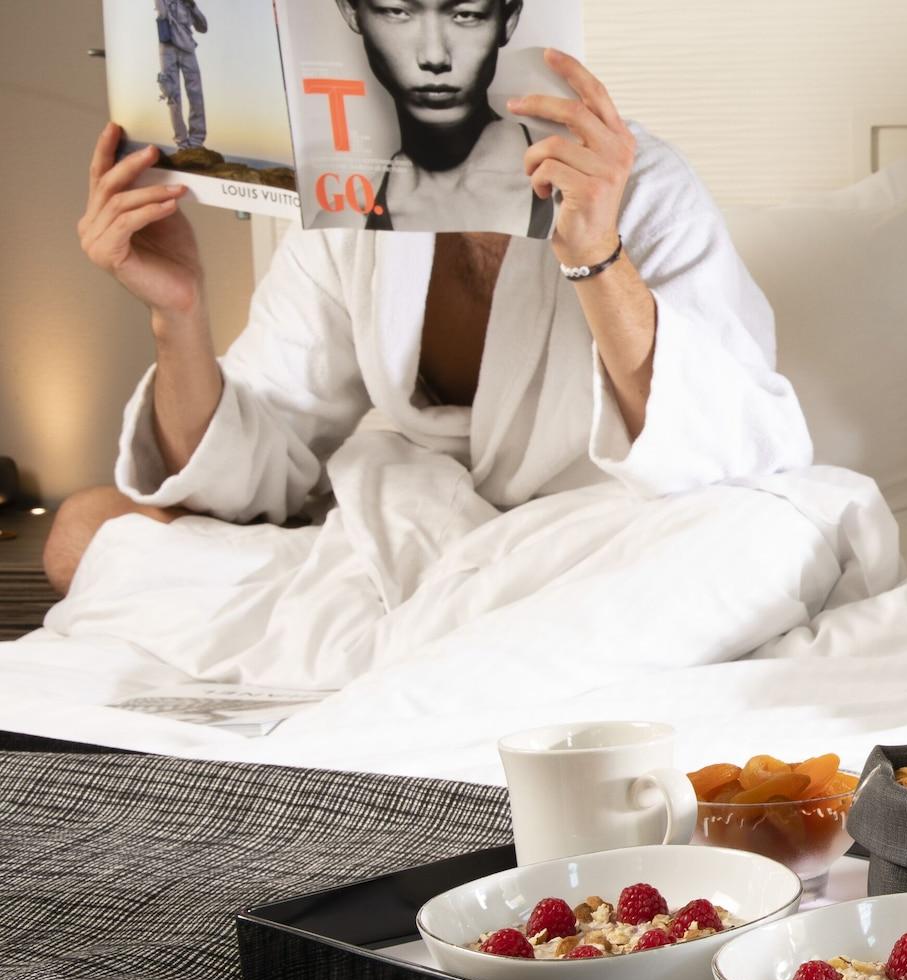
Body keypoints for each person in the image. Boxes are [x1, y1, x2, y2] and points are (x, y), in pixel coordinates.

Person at [51, 48, 815, 686]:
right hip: (417, 545)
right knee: (82, 529)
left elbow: (724, 452)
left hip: (594, 548)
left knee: (763, 542)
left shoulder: (639, 186)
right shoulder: (355, 195)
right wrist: (177, 313)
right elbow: (241, 475)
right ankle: (448, 657)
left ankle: (414, 656)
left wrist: (594, 251)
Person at [336, 0, 552, 237]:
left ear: (508, 20)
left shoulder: (567, 179)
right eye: (397, 12)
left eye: (466, 15)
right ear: (350, 10)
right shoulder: (344, 220)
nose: (435, 57)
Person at [155, 0, 207, 152]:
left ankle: (196, 141)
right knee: (172, 97)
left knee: (196, 95)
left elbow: (203, 27)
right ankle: (182, 143)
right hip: (167, 49)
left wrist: (192, 6)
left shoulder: (188, 4)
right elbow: (162, 12)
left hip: (187, 49)